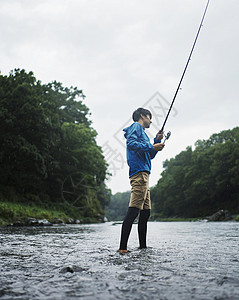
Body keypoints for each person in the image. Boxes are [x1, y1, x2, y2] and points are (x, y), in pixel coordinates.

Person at [118, 107, 165, 254]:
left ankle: (142, 247)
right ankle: (122, 248)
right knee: (133, 211)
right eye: (150, 117)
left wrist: (156, 141)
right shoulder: (136, 126)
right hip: (139, 175)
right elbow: (131, 144)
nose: (151, 121)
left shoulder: (143, 134)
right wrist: (151, 145)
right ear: (142, 116)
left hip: (145, 175)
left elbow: (149, 155)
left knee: (145, 213)